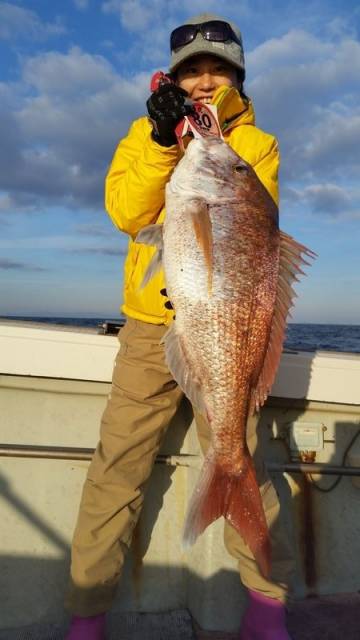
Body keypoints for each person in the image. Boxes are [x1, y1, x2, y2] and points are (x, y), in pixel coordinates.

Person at [65, 13, 294, 640]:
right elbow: (126, 211)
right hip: (149, 330)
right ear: (173, 75)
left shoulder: (254, 146)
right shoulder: (145, 133)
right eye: (192, 68)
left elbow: (259, 229)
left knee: (244, 459)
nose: (204, 79)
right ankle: (87, 612)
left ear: (237, 76)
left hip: (229, 326)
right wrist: (166, 141)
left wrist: (207, 152)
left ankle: (267, 606)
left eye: (217, 68)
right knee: (116, 469)